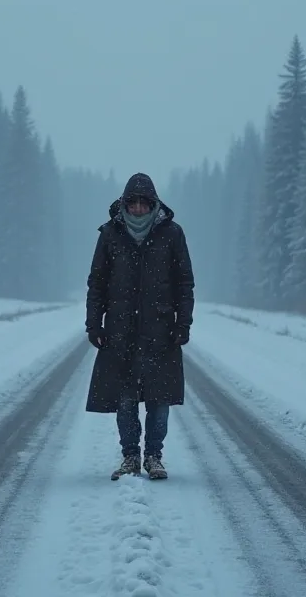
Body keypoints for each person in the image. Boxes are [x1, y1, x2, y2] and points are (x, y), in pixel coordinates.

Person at [84, 172, 195, 480]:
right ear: (124, 204)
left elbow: (184, 282)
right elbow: (97, 283)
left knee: (160, 398)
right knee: (125, 397)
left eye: (142, 203)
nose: (136, 209)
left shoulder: (172, 234)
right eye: (131, 203)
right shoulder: (110, 234)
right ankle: (130, 456)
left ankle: (154, 457)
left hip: (161, 330)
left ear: (153, 203)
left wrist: (182, 323)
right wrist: (94, 323)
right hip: (119, 330)